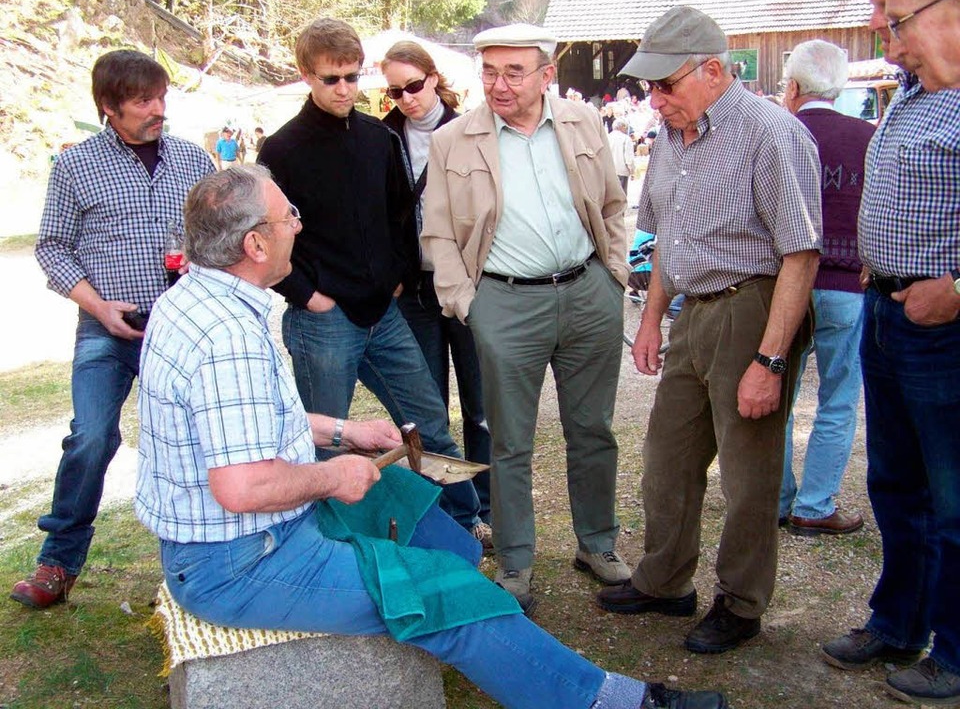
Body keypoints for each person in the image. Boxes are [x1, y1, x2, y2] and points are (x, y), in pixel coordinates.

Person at [136, 164, 729, 709]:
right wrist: (333, 474)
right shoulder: (226, 336)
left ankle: (502, 643)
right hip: (240, 563)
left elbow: (241, 424)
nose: (298, 225)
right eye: (288, 216)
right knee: (445, 592)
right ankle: (619, 703)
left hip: (253, 540)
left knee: (430, 524)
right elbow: (241, 487)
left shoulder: (201, 300)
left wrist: (344, 430)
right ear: (255, 245)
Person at [596, 6, 821, 655]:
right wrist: (651, 316)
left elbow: (800, 256)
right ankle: (665, 580)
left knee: (749, 474)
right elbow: (668, 230)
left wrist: (770, 361)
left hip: (753, 307)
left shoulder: (772, 134)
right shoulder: (672, 134)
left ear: (715, 71)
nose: (653, 100)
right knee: (667, 457)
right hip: (691, 311)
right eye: (648, 87)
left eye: (665, 85)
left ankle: (742, 604)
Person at [422, 23, 631, 615]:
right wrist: (470, 304)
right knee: (509, 441)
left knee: (593, 430)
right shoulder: (452, 141)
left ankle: (598, 545)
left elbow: (613, 206)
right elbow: (438, 232)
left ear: (546, 75)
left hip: (588, 292)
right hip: (504, 303)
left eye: (515, 72)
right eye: (490, 71)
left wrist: (612, 276)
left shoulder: (582, 121)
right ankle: (515, 563)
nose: (499, 84)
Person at [255, 19, 484, 537]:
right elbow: (263, 235)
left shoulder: (378, 137)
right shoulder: (281, 150)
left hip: (385, 313)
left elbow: (401, 216)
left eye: (353, 77)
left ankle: (464, 523)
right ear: (307, 76)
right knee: (317, 443)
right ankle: (312, 539)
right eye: (331, 78)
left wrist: (399, 278)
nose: (344, 89)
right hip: (324, 320)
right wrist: (306, 295)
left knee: (429, 425)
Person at [9, 49, 214, 610]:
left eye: (161, 98)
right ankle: (58, 562)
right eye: (143, 101)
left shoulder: (195, 161)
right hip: (106, 329)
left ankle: (202, 568)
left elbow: (220, 233)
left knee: (202, 443)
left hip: (183, 329)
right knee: (92, 436)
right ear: (108, 107)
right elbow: (51, 248)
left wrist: (204, 260)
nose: (157, 110)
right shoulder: (75, 167)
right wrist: (99, 308)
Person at [821, 0, 960, 704]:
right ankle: (898, 622)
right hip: (888, 309)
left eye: (890, 9)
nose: (878, 22)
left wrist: (958, 288)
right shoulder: (911, 92)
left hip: (944, 326)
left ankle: (957, 651)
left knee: (954, 497)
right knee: (895, 485)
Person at [380, 41, 494, 544]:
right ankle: (448, 509)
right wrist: (395, 272)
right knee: (426, 407)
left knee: (480, 404)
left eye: (414, 85)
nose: (406, 97)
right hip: (415, 290)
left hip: (468, 281)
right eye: (395, 90)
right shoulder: (383, 136)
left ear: (433, 78)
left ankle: (487, 506)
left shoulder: (472, 129)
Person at [778, 39, 876, 536]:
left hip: (785, 286)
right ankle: (814, 507)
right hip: (849, 284)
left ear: (792, 85)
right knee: (838, 397)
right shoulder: (869, 136)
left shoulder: (779, 131)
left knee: (779, 391)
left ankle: (777, 498)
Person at [607, 117, 635, 196]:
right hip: (621, 170)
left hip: (609, 171)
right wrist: (632, 171)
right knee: (621, 196)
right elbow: (629, 158)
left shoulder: (607, 137)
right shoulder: (626, 139)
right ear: (622, 127)